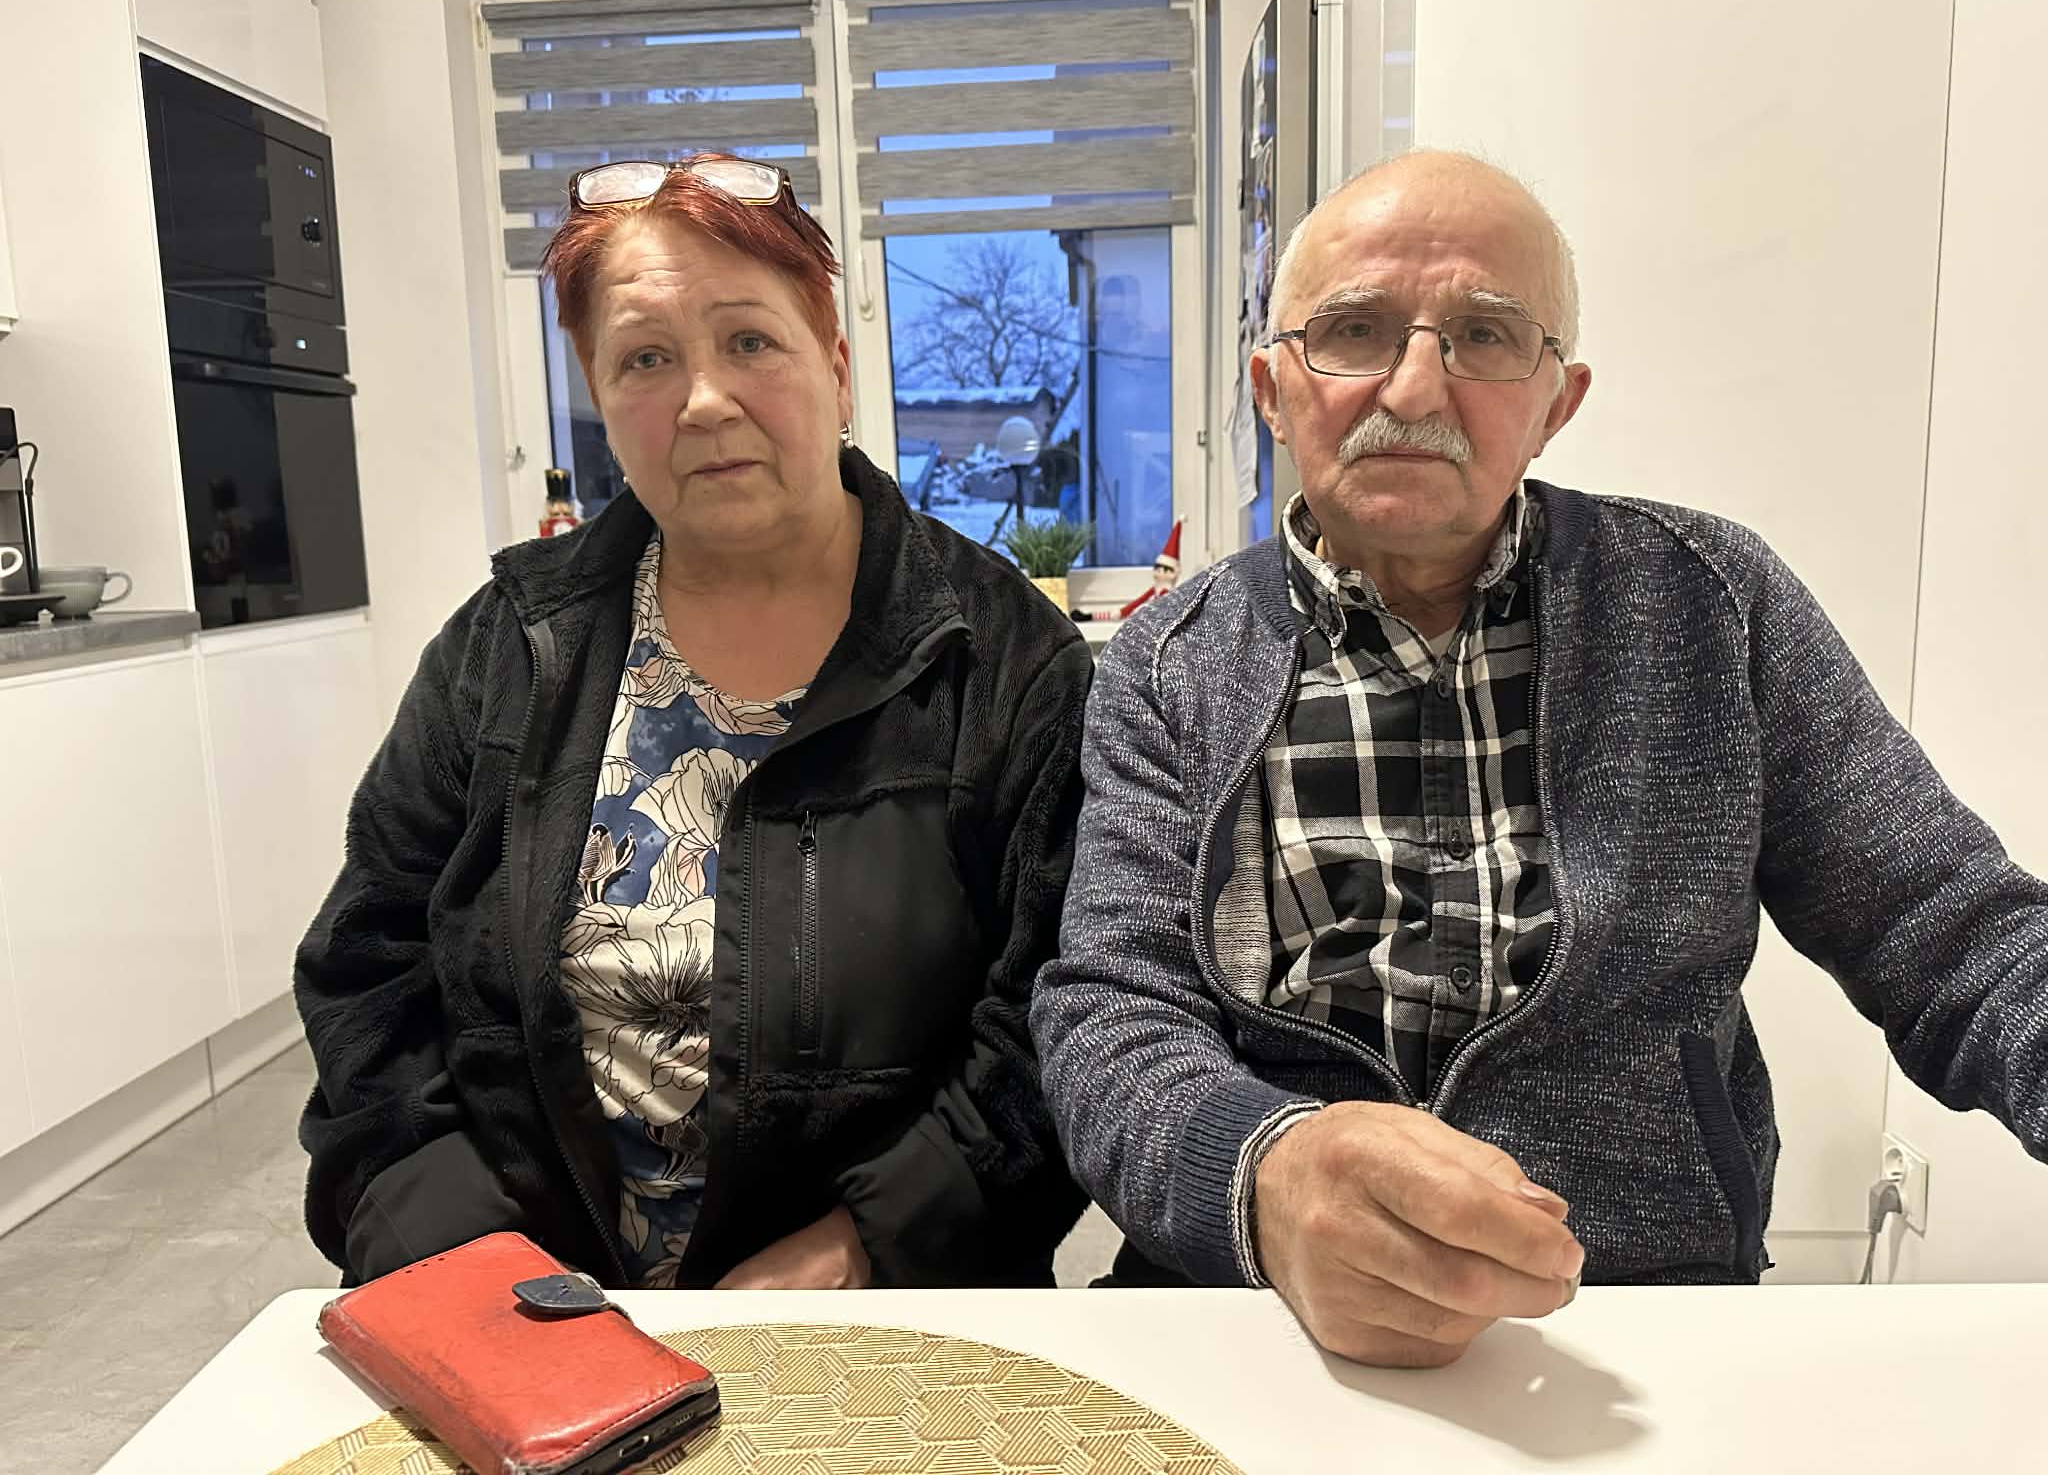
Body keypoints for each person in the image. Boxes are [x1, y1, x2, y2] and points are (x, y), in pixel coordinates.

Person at [1031, 149, 2048, 1366]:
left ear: (1555, 403)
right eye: (1353, 331)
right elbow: (1112, 1013)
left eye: (1482, 336)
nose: (1414, 385)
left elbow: (1948, 930)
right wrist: (1260, 1174)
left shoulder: (1711, 604)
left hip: (1638, 1319)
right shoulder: (1167, 663)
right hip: (1255, 1316)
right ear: (1272, 389)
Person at [298, 153, 1092, 1290]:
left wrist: (862, 1249)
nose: (704, 400)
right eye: (646, 359)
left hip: (881, 1320)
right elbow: (368, 967)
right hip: (522, 1305)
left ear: (836, 368)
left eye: (750, 341)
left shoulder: (1004, 662)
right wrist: (455, 1249)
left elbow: (1056, 1019)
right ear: (598, 393)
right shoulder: (509, 645)